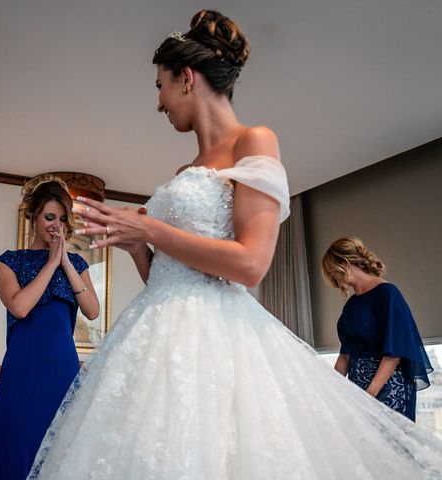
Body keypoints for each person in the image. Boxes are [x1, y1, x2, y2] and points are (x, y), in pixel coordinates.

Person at [27, 9, 442, 479]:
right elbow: (167, 274)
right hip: (155, 333)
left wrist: (151, 230)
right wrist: (136, 247)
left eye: (160, 86)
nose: (159, 103)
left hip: (218, 336)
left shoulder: (255, 141)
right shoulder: (184, 172)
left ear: (186, 79)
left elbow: (252, 264)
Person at [0, 176, 100, 480]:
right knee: (17, 450)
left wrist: (64, 262)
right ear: (33, 217)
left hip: (62, 370)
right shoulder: (9, 262)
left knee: (60, 451)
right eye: (49, 217)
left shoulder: (76, 263)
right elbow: (20, 307)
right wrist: (50, 264)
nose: (56, 225)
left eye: (62, 219)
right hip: (22, 371)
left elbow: (92, 310)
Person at [321, 236, 432, 421]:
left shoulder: (387, 294)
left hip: (388, 388)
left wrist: (370, 394)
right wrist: (333, 394)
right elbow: (344, 356)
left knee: (394, 447)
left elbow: (394, 353)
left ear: (345, 263)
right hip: (358, 391)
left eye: (333, 272)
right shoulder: (351, 305)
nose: (333, 279)